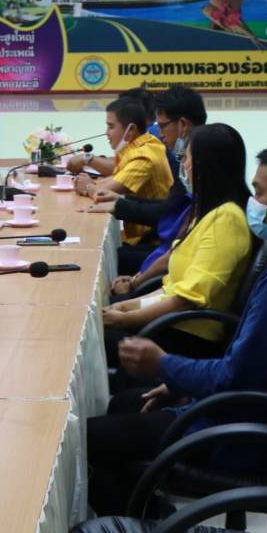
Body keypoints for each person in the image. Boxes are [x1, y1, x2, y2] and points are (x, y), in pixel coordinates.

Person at [87, 142, 267, 515]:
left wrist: (163, 364)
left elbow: (236, 376)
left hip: (240, 433)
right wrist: (180, 384)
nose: (253, 203)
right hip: (252, 411)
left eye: (260, 192)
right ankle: (151, 521)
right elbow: (251, 367)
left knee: (91, 440)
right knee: (124, 406)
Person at [99, 123, 253, 367]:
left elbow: (185, 299)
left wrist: (123, 319)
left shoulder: (226, 220)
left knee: (93, 340)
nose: (183, 165)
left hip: (187, 337)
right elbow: (171, 287)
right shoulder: (209, 212)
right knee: (99, 317)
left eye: (187, 158)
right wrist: (125, 307)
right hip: (171, 322)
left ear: (204, 166)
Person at [90, 85, 207, 275]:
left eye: (162, 126)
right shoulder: (187, 155)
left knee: (103, 258)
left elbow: (169, 213)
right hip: (174, 245)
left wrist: (120, 205)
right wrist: (121, 201)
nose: (159, 133)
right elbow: (171, 206)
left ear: (183, 124)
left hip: (179, 251)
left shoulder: (201, 157)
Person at [74, 95, 172, 246]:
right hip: (137, 236)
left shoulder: (144, 155)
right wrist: (90, 184)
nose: (107, 132)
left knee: (89, 243)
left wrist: (88, 186)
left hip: (151, 241)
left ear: (131, 129)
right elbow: (113, 179)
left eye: (111, 127)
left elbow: (103, 193)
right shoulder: (137, 147)